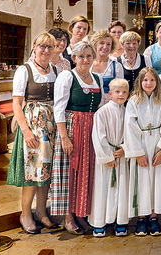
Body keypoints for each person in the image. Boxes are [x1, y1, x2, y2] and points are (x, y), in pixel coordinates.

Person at [7, 33, 59, 234]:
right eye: (43, 46)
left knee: (46, 170)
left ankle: (41, 212)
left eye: (50, 47)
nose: (46, 50)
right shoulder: (24, 70)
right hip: (33, 125)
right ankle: (25, 213)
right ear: (34, 47)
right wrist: (26, 131)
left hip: (50, 125)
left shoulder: (54, 70)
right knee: (32, 172)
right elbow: (16, 104)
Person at [51, 41, 102, 235]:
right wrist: (64, 137)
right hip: (72, 128)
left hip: (91, 129)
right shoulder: (67, 76)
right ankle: (68, 218)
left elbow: (100, 107)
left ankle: (81, 213)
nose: (85, 60)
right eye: (81, 56)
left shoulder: (97, 78)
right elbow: (59, 108)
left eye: (89, 56)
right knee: (69, 173)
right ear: (74, 58)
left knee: (86, 172)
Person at [124, 67, 161, 236]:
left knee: (157, 181)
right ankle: (141, 218)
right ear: (139, 82)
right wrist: (137, 152)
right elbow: (129, 127)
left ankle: (154, 217)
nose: (148, 83)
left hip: (158, 146)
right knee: (142, 182)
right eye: (145, 80)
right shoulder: (133, 101)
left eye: (152, 80)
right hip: (141, 146)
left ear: (157, 82)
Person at [89, 78, 130, 238]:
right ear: (110, 93)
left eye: (124, 92)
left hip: (121, 155)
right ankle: (99, 223)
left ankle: (120, 222)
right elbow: (98, 136)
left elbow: (133, 134)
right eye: (117, 92)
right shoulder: (102, 112)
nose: (121, 95)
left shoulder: (128, 111)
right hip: (107, 159)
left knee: (121, 189)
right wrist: (107, 157)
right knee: (103, 189)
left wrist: (125, 149)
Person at [90, 30, 124, 105]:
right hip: (90, 105)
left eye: (108, 44)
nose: (105, 47)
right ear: (95, 44)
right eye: (102, 43)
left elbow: (120, 90)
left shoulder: (117, 66)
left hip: (109, 106)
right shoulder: (88, 64)